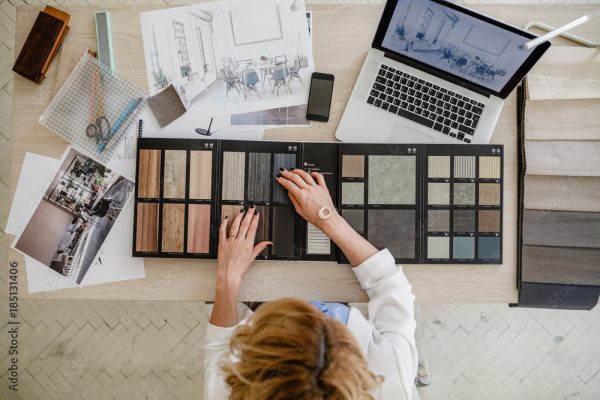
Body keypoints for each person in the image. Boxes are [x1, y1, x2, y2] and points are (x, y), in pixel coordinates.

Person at [204, 168, 418, 399]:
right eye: (326, 324)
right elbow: (389, 285)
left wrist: (227, 280)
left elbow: (220, 347)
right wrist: (327, 217)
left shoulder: (232, 388)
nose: (314, 306)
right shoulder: (390, 377)